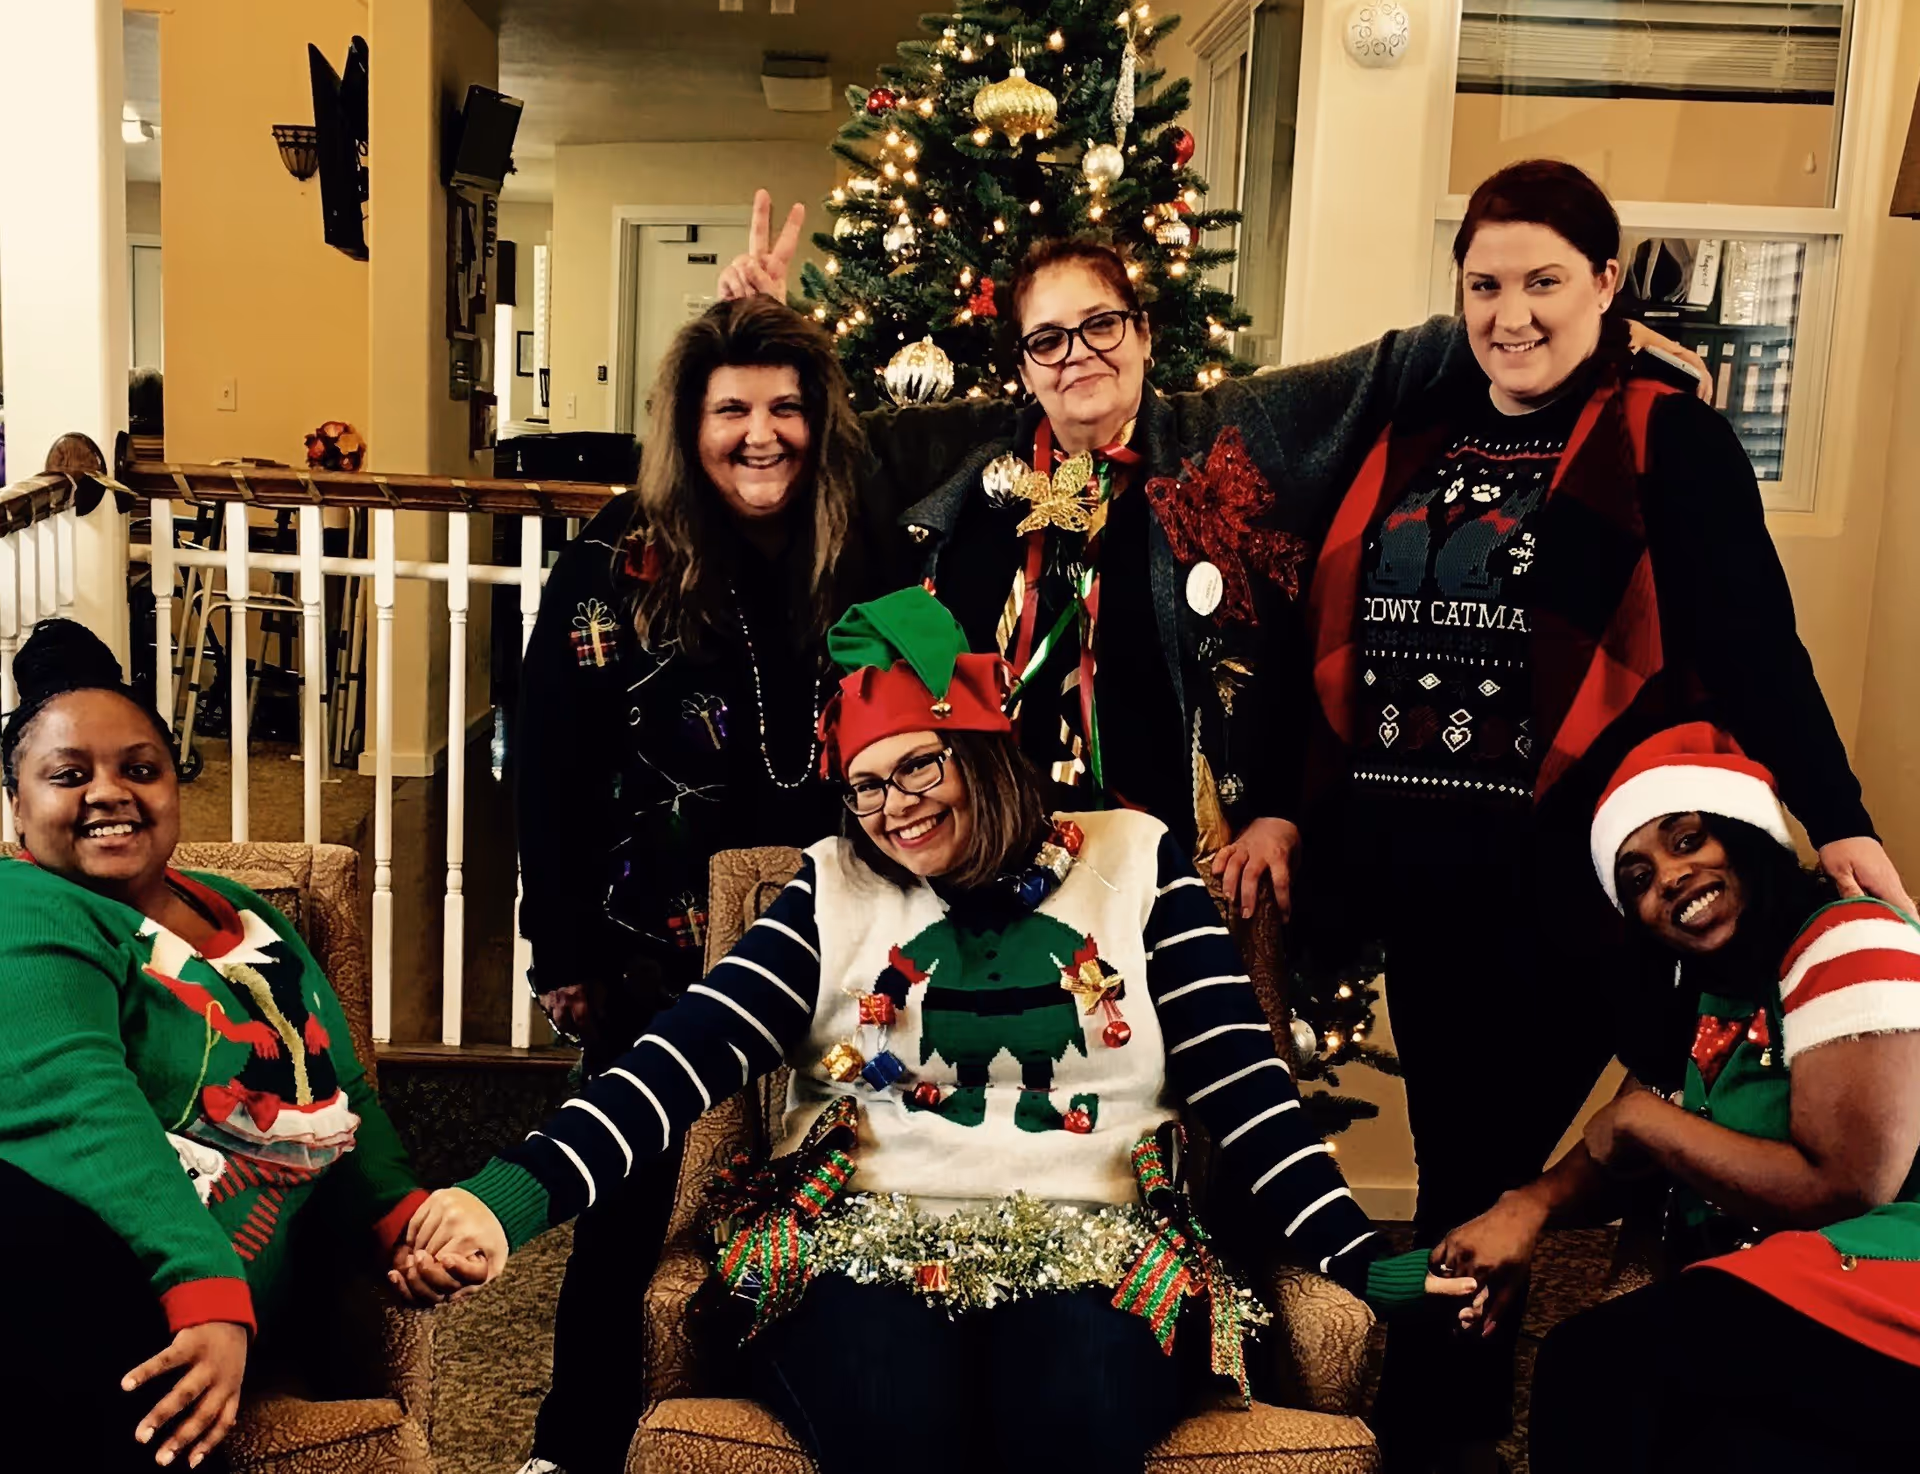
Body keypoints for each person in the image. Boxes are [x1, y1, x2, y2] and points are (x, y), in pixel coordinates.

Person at [407, 587, 1477, 1474]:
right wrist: (508, 1199)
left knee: (1073, 1404)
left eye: (920, 764)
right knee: (892, 1411)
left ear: (980, 745)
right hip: (856, 1238)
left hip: (1096, 1244)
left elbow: (1247, 1091)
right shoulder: (832, 891)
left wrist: (1363, 1258)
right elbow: (676, 1060)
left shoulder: (1140, 865)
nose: (893, 808)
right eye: (866, 784)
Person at [1298, 159, 1912, 1471]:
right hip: (1430, 878)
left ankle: (1794, 1364)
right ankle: (1462, 1428)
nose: (1512, 313)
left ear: (1605, 284)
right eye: (1485, 285)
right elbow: (1330, 617)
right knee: (1474, 1170)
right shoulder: (1415, 422)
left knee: (1719, 1122)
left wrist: (1839, 814)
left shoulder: (1663, 434)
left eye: (1543, 282)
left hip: (1599, 882)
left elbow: (1754, 640)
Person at [720, 195, 1707, 931]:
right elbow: (815, 437)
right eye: (1048, 340)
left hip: (1170, 863)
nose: (1078, 358)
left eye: (1101, 325)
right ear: (1021, 364)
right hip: (989, 855)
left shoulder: (1239, 434)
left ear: (1142, 334)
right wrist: (771, 326)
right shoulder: (965, 454)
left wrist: (1605, 329)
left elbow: (1412, 358)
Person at [509, 294, 898, 1474]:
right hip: (655, 942)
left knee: (830, 1193)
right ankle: (571, 1447)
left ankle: (748, 1437)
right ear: (689, 425)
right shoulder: (611, 565)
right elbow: (549, 762)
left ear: (822, 421)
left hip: (849, 944)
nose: (760, 432)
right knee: (629, 1204)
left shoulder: (868, 553)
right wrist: (563, 945)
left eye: (786, 405)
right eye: (732, 408)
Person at [0, 618, 432, 1472]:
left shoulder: (249, 910)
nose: (109, 792)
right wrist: (204, 1289)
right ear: (16, 802)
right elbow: (84, 1104)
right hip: (94, 1286)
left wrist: (399, 1213)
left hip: (222, 1288)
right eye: (67, 775)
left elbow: (338, 1083)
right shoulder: (27, 906)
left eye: (140, 769)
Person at [1436, 723, 1920, 1472]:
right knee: (1720, 1446)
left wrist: (1638, 1119)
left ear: (1743, 832)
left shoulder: (1849, 937)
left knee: (1592, 1368)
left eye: (1687, 841)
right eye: (1637, 878)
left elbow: (1849, 1187)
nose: (1667, 877)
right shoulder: (1712, 999)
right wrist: (1527, 1205)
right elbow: (1625, 1147)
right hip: (1797, 1297)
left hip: (1891, 1284)